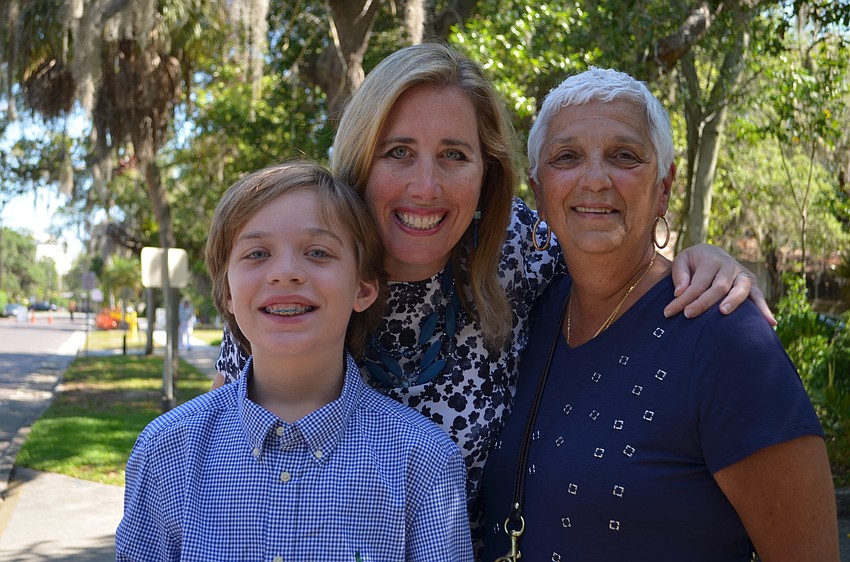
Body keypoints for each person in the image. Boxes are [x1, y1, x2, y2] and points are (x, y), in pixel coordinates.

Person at [212, 43, 770, 542]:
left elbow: (620, 256)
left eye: (454, 155)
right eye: (398, 152)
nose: (425, 187)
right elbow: (221, 467)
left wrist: (699, 259)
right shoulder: (298, 283)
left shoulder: (519, 252)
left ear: (487, 175)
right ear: (359, 161)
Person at [481, 68, 839, 561]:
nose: (595, 179)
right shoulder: (527, 314)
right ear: (539, 191)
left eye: (624, 156)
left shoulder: (723, 335)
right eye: (567, 157)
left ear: (665, 187)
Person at [116, 161, 473, 561]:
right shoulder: (166, 450)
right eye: (257, 253)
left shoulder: (422, 461)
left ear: (364, 287)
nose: (285, 273)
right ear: (228, 294)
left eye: (318, 252)